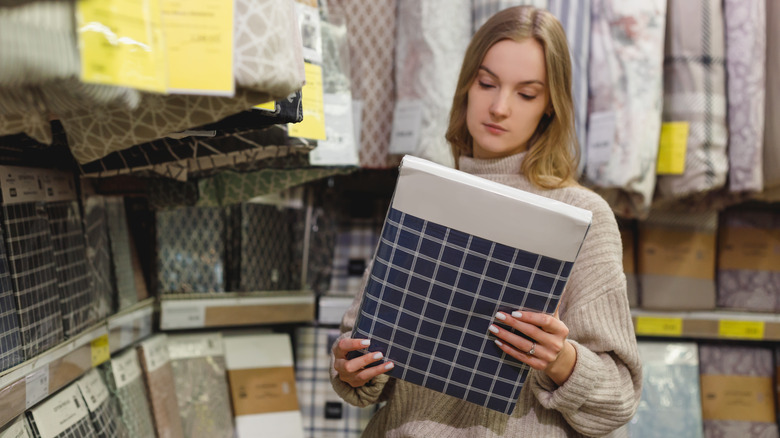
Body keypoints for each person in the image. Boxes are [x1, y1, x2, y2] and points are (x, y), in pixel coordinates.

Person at [330, 6, 642, 437]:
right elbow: (358, 361)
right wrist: (352, 369)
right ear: (466, 86)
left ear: (551, 106)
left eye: (526, 94)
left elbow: (618, 401)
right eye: (487, 83)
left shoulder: (585, 216)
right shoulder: (425, 192)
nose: (499, 107)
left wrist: (561, 359)